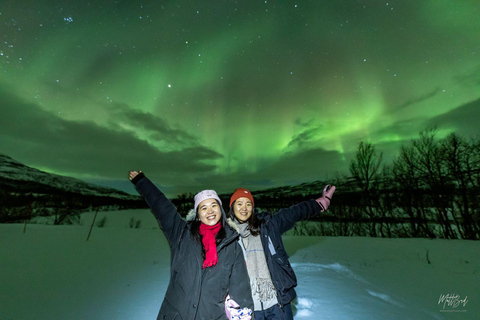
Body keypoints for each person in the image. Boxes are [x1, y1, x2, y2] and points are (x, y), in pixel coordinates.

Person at [128, 170, 254, 320]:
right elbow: (163, 208)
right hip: (177, 315)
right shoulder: (182, 235)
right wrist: (142, 182)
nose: (210, 211)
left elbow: (241, 289)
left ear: (220, 210)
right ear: (198, 215)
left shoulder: (232, 246)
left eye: (214, 205)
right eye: (204, 207)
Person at [227, 185, 336, 320]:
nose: (244, 208)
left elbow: (294, 213)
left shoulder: (268, 226)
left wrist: (320, 203)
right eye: (239, 203)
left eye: (248, 203)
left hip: (277, 302)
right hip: (248, 308)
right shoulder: (227, 236)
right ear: (232, 207)